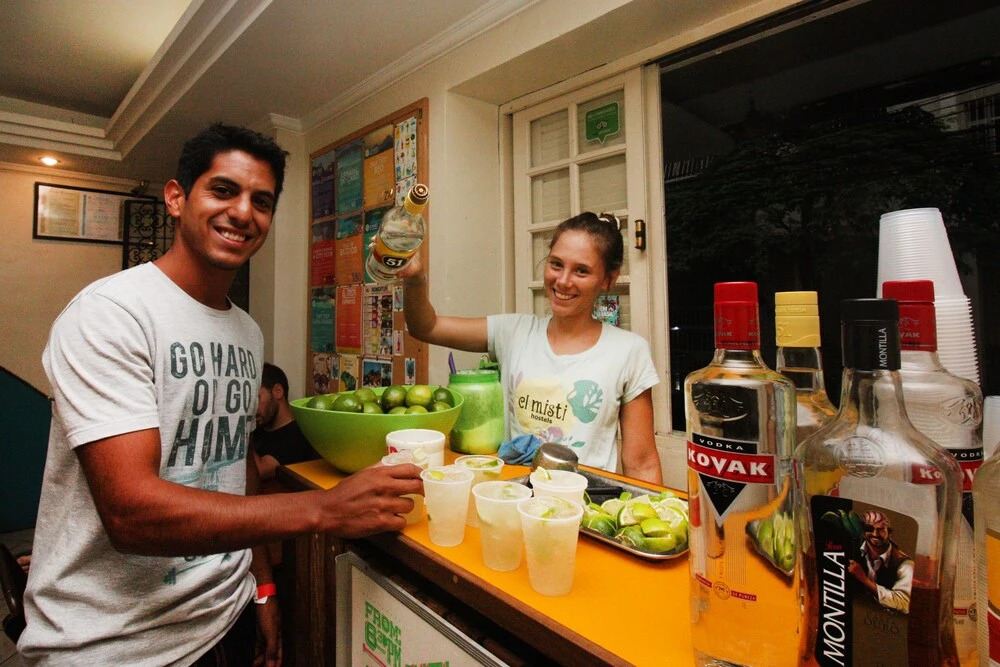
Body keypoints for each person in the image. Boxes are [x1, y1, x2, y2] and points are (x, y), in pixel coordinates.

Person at [18, 123, 423, 666]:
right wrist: (323, 509)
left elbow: (237, 463)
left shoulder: (246, 332)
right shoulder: (111, 314)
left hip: (223, 615)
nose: (243, 213)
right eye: (223, 190)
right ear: (176, 198)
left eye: (262, 201)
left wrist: (263, 587)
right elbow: (131, 514)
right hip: (114, 644)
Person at [399, 212, 662, 484]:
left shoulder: (629, 351)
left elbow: (642, 465)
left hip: (584, 502)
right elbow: (426, 327)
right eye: (556, 264)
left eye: (581, 271)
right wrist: (414, 278)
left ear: (608, 279)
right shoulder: (513, 332)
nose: (563, 281)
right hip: (514, 498)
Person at [255, 362, 319, 480]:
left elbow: (260, 470)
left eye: (256, 398)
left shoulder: (297, 435)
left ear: (278, 391)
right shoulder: (261, 425)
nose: (252, 407)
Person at [847, 510, 914, 613]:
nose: (875, 534)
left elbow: (904, 603)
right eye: (869, 529)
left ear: (889, 533)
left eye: (881, 529)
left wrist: (864, 579)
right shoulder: (852, 551)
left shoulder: (905, 564)